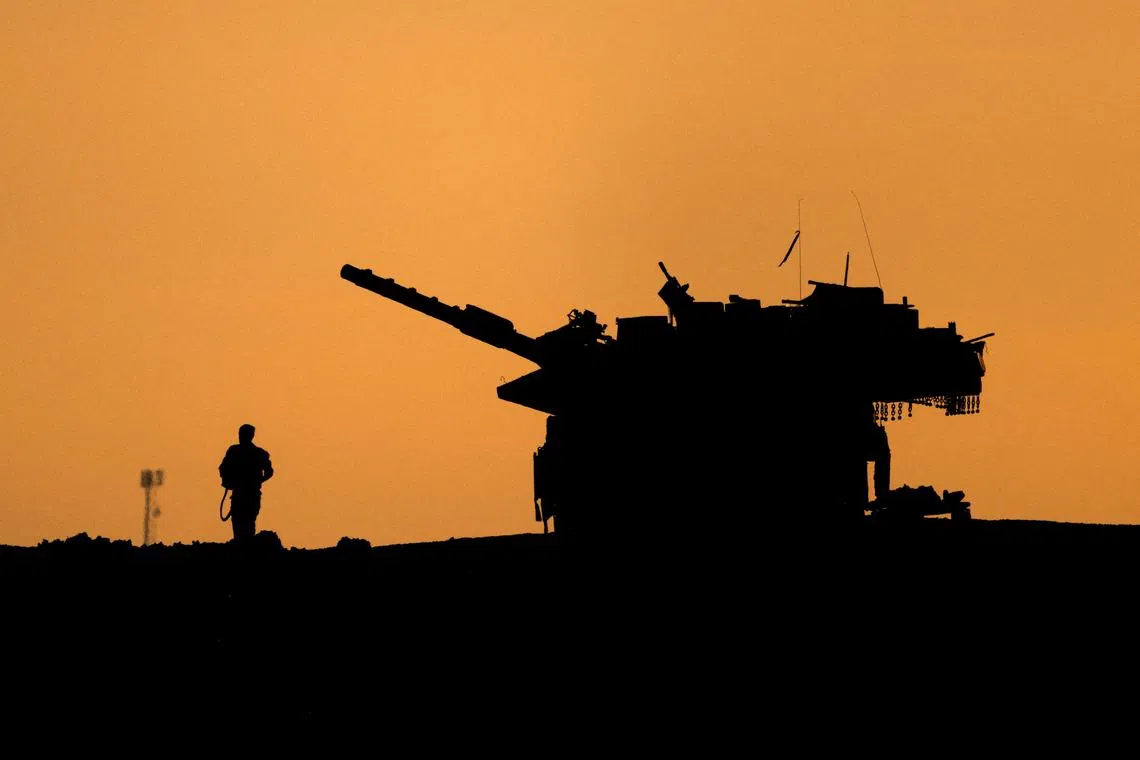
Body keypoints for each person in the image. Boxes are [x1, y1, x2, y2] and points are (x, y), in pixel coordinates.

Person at [219, 423, 274, 542]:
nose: (240, 436)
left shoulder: (241, 452)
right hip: (242, 495)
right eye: (240, 434)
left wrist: (256, 482)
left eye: (242, 434)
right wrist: (227, 480)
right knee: (241, 524)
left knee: (246, 524)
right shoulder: (237, 451)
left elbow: (269, 472)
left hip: (248, 495)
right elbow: (223, 468)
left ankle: (244, 551)